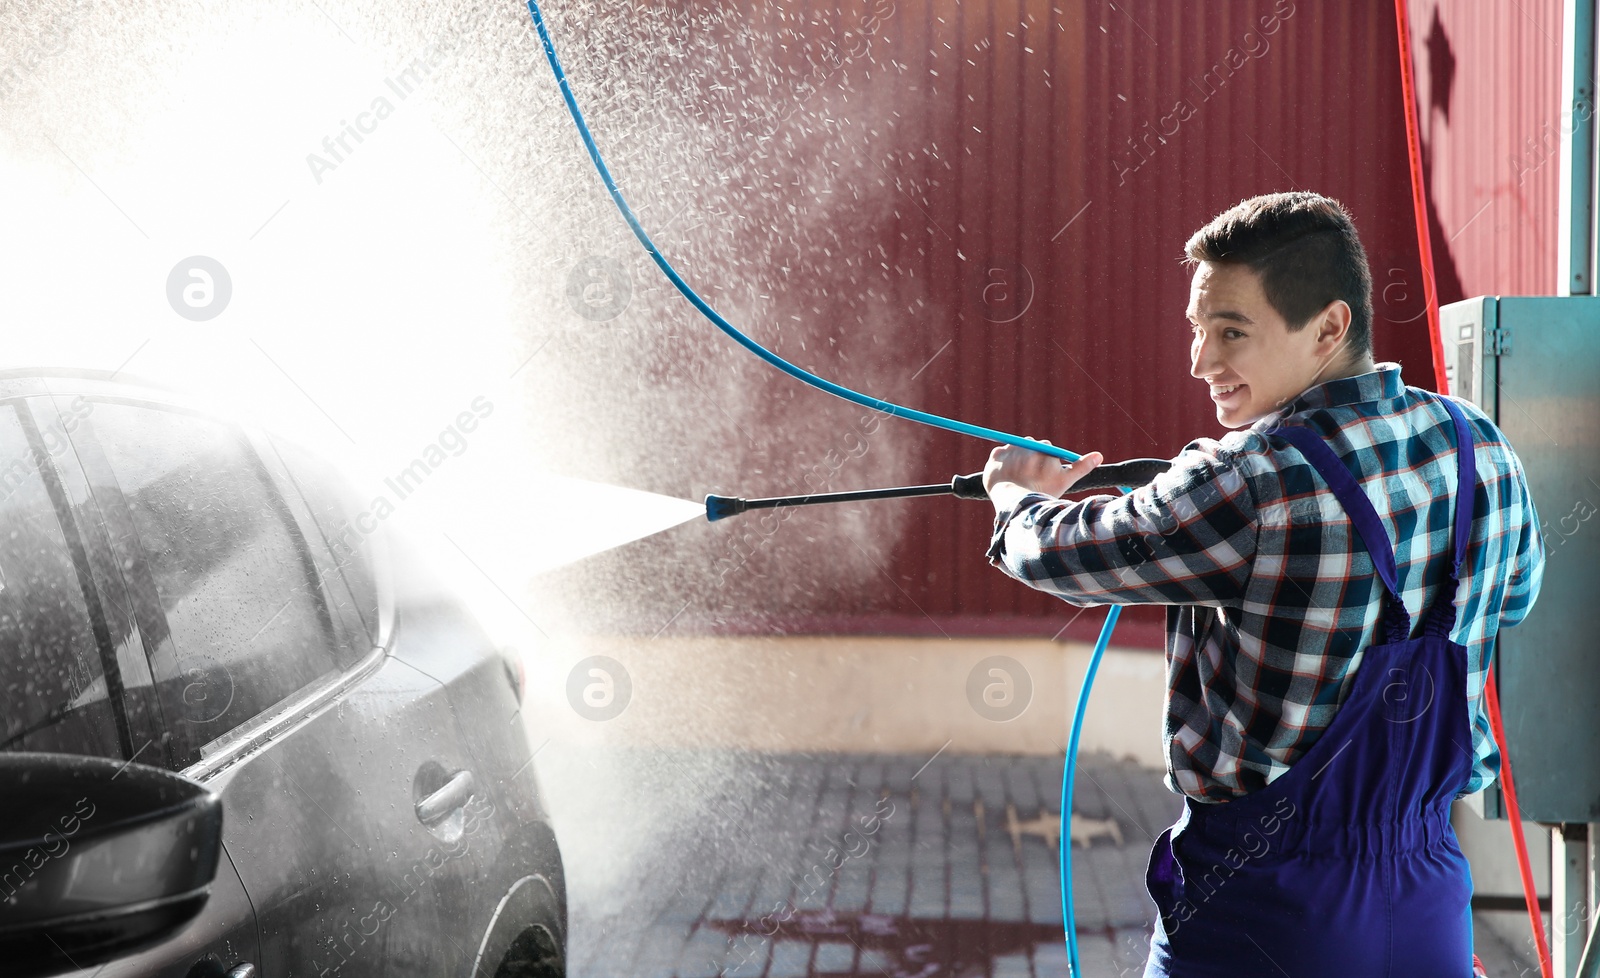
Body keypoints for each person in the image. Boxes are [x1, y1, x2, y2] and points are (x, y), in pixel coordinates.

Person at [982, 191, 1544, 977]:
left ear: (1329, 326)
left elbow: (1064, 556)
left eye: (1231, 332)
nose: (1201, 361)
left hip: (1263, 913)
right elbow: (1512, 597)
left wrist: (1014, 494)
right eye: (1198, 328)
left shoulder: (1249, 476)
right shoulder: (1478, 446)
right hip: (1427, 907)